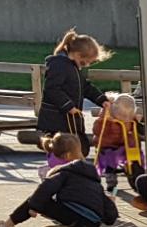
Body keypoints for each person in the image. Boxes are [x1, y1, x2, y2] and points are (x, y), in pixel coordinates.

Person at [0, 133, 118, 227]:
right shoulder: (92, 176)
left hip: (74, 216)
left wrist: (33, 207)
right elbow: (107, 207)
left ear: (65, 156)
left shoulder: (64, 173)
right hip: (93, 225)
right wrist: (110, 216)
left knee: (37, 200)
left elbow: (43, 191)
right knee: (73, 204)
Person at [37, 29, 111, 161]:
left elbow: (85, 87)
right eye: (84, 62)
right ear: (76, 54)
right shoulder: (59, 65)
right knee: (64, 149)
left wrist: (101, 100)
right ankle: (58, 166)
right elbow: (52, 89)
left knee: (80, 147)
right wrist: (68, 106)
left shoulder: (73, 67)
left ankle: (66, 166)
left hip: (69, 119)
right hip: (57, 118)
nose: (86, 65)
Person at [92, 92, 143, 192]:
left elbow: (136, 129)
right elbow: (97, 131)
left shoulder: (130, 119)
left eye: (127, 115)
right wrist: (104, 120)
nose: (125, 118)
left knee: (135, 156)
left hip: (124, 144)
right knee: (109, 157)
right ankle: (111, 181)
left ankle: (137, 178)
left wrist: (137, 122)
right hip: (107, 145)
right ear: (114, 111)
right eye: (122, 115)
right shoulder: (105, 118)